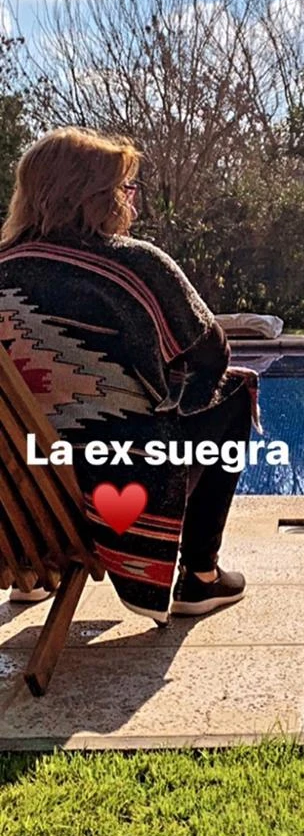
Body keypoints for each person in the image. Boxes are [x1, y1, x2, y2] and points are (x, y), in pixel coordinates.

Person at [0, 127, 259, 622]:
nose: (129, 199)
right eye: (123, 187)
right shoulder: (131, 265)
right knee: (234, 392)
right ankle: (200, 576)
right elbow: (211, 356)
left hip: (17, 507)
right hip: (111, 484)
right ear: (94, 196)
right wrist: (159, 388)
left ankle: (30, 568)